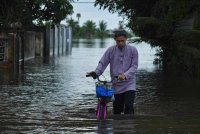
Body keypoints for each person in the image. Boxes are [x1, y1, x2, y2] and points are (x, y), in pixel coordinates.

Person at [89, 30, 138, 115]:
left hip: (129, 83)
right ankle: (118, 127)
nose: (121, 43)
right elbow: (102, 63)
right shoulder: (110, 50)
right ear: (115, 40)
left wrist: (125, 75)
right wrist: (96, 73)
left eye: (123, 41)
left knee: (128, 105)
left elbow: (134, 66)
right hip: (116, 83)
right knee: (117, 109)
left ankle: (129, 127)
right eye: (118, 41)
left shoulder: (133, 50)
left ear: (126, 39)